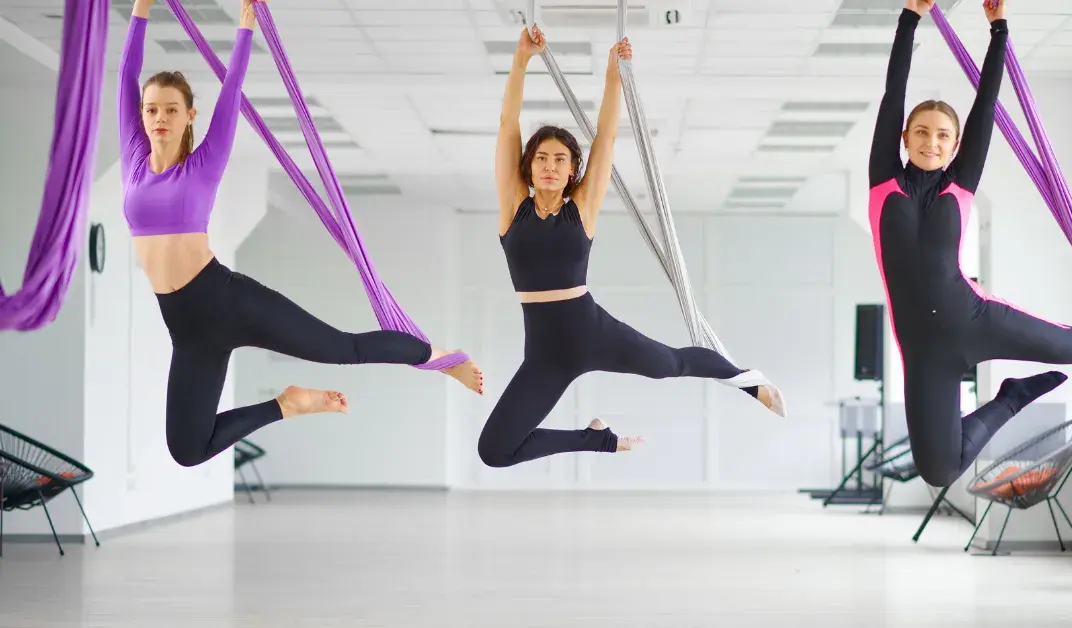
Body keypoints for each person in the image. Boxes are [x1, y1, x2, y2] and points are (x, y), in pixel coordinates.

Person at [119, 0, 483, 468]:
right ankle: (287, 405)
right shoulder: (132, 155)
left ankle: (441, 357)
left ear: (190, 115)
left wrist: (247, 28)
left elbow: (231, 94)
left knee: (343, 348)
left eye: (171, 108)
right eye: (150, 109)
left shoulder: (204, 165)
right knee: (187, 450)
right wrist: (141, 7)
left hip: (228, 301)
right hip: (186, 330)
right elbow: (125, 74)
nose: (158, 117)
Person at [868, 0, 1072, 487]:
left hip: (975, 316)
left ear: (955, 146)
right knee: (939, 470)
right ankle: (1011, 398)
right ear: (904, 136)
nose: (931, 142)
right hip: (924, 351)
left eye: (943, 135)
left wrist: (998, 31)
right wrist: (910, 17)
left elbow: (985, 108)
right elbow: (892, 91)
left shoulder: (960, 185)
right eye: (921, 132)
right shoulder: (884, 182)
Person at [478, 25, 786, 469]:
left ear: (571, 172)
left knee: (669, 364)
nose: (549, 165)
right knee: (494, 452)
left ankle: (746, 379)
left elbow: (605, 138)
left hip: (592, 331)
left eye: (560, 160)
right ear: (529, 166)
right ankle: (594, 440)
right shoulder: (513, 207)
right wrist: (520, 60)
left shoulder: (581, 207)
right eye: (541, 158)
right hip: (545, 356)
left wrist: (612, 74)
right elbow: (508, 124)